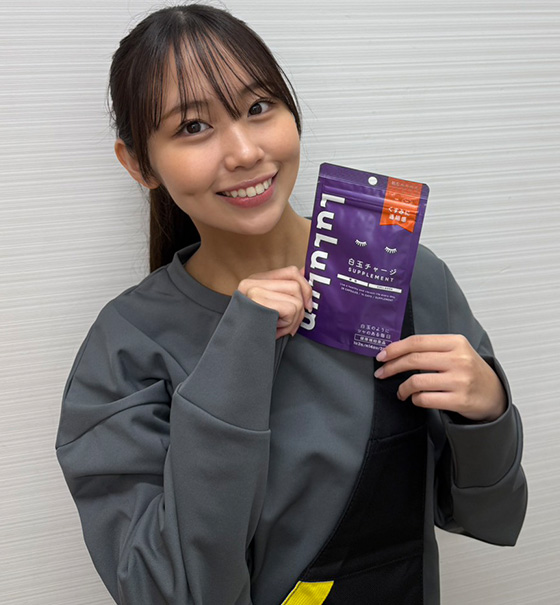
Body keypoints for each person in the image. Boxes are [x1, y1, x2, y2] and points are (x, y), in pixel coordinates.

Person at [55, 4, 527, 604]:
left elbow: (490, 516)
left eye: (258, 108)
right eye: (193, 127)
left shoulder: (403, 278)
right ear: (139, 164)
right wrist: (239, 351)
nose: (244, 152)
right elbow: (168, 593)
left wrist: (487, 413)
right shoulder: (126, 346)